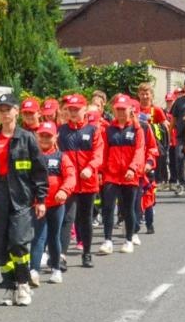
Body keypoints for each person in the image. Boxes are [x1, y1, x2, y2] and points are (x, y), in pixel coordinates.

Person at [0, 92, 47, 306]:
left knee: (18, 242)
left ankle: (23, 283)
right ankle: (9, 285)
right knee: (0, 244)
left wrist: (40, 199)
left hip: (21, 196)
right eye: (1, 110)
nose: (5, 114)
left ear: (16, 111)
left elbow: (39, 171)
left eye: (9, 109)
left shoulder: (27, 139)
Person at [96, 95, 148, 254]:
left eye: (123, 109)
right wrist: (100, 171)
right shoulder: (108, 130)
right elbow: (103, 151)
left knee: (128, 209)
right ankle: (107, 240)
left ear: (130, 110)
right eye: (117, 109)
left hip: (130, 176)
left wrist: (133, 168)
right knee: (108, 208)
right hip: (111, 175)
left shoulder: (137, 129)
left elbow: (139, 151)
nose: (120, 112)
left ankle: (128, 239)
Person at [57, 93, 103, 267]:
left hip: (88, 183)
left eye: (76, 109)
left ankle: (86, 253)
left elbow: (98, 155)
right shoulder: (61, 131)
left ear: (85, 110)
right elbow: (57, 154)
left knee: (85, 219)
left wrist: (90, 168)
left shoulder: (93, 130)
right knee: (67, 219)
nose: (73, 112)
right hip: (69, 184)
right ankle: (61, 255)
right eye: (70, 110)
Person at [32, 123, 67, 283]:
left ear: (55, 137)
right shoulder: (31, 156)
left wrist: (64, 190)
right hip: (38, 204)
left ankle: (56, 269)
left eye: (49, 136)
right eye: (42, 135)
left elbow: (71, 176)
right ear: (37, 136)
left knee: (54, 237)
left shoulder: (61, 157)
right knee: (38, 237)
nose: (45, 139)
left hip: (56, 205)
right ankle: (34, 270)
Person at [168, 82, 185, 193]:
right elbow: (173, 119)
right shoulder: (179, 101)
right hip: (181, 136)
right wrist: (169, 134)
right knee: (179, 157)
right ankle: (182, 183)